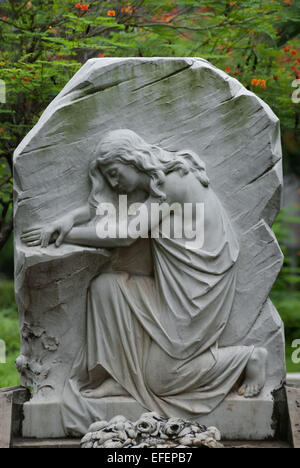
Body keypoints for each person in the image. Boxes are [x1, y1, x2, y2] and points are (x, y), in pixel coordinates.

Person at [22, 129, 268, 436]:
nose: (113, 183)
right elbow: (109, 207)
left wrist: (64, 235)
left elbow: (125, 234)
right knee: (105, 289)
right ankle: (117, 375)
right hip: (173, 289)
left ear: (133, 159)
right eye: (108, 178)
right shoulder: (155, 181)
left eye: (114, 174)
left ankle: (246, 358)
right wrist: (70, 218)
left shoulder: (173, 183)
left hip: (196, 294)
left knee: (161, 377)